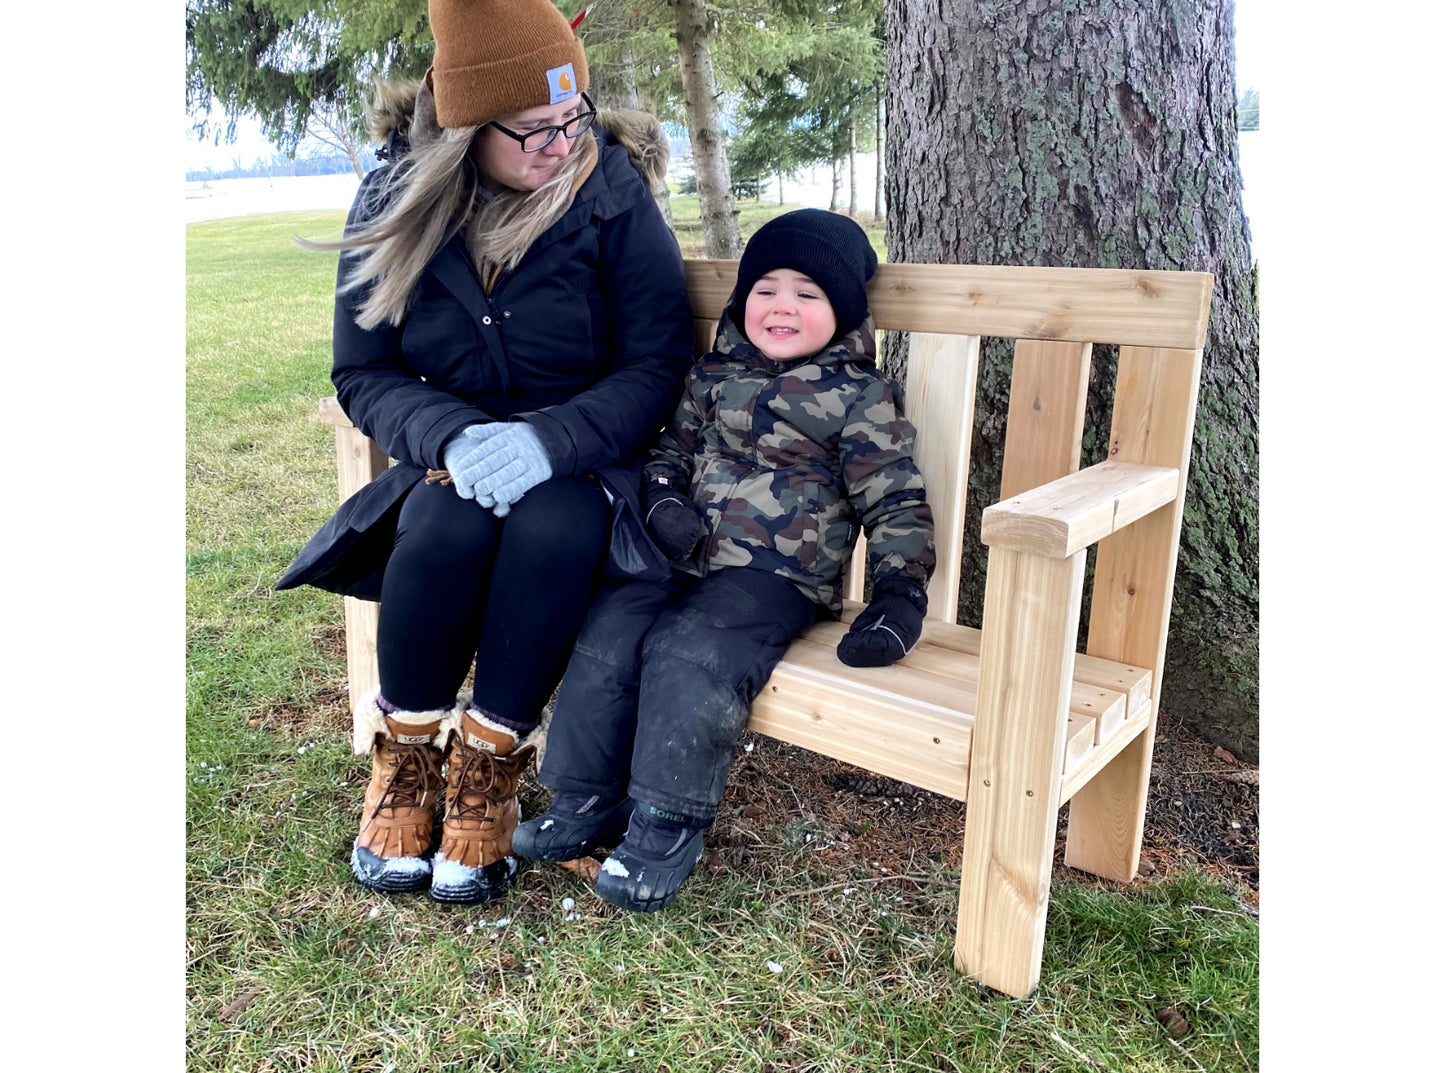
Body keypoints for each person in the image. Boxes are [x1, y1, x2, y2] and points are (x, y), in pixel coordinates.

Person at [274, 0, 694, 906]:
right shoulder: (397, 196)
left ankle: (489, 766)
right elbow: (363, 370)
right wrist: (453, 436)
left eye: (572, 117)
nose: (560, 143)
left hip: (584, 456)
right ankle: (410, 757)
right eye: (533, 129)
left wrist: (550, 438)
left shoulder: (607, 186)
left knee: (549, 525)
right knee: (441, 523)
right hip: (448, 453)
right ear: (465, 127)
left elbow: (657, 359)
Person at [513, 209, 937, 911]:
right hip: (677, 556)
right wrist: (661, 502)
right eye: (766, 288)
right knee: (612, 627)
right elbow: (669, 452)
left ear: (844, 311)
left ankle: (665, 819)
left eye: (808, 294)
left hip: (772, 577)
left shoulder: (858, 397)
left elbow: (892, 495)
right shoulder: (709, 375)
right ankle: (586, 795)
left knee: (690, 649)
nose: (782, 306)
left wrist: (899, 592)